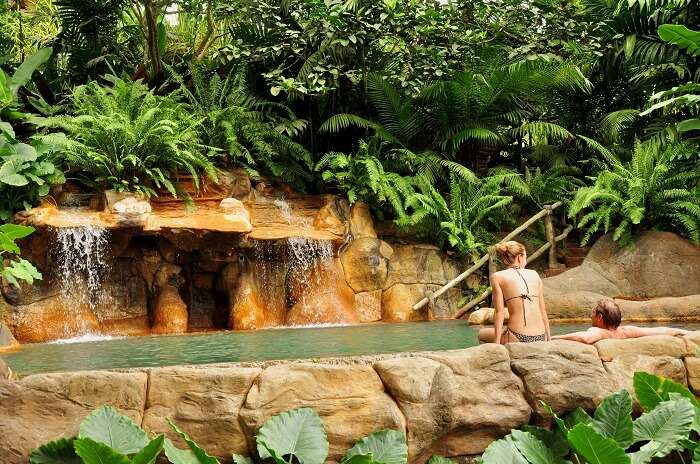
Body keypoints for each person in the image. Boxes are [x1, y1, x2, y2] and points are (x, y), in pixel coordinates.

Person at [478, 241, 551, 344]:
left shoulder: (497, 277)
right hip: (540, 336)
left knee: (482, 333)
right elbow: (542, 309)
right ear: (519, 257)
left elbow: (499, 312)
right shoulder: (535, 274)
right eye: (525, 256)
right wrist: (548, 337)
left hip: (518, 336)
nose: (525, 260)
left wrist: (497, 342)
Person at [553, 299, 690, 343]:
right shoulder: (626, 331)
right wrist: (683, 331)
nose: (590, 315)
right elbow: (661, 330)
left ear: (600, 317)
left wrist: (554, 337)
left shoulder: (598, 332)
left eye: (593, 313)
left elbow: (585, 338)